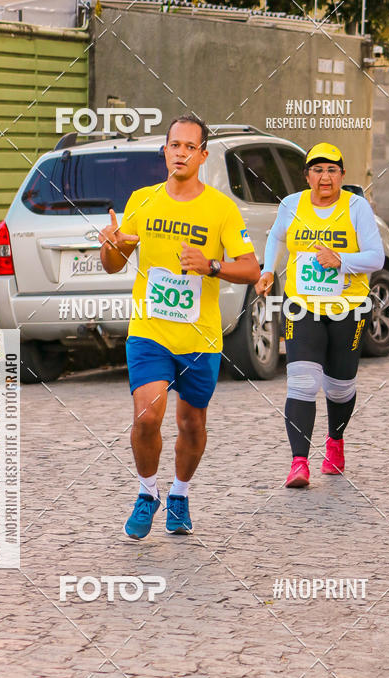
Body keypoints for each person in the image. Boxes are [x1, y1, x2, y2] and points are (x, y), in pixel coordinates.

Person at [99, 114, 260, 538]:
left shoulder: (221, 208)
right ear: (165, 151)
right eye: (175, 145)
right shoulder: (142, 200)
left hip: (200, 336)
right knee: (148, 416)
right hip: (149, 331)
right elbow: (115, 264)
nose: (181, 153)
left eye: (191, 146)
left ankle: (180, 495)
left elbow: (250, 268)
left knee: (191, 424)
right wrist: (112, 246)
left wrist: (210, 265)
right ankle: (146, 492)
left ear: (203, 155)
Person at [255, 142, 384, 487]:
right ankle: (299, 462)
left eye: (331, 170)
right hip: (302, 306)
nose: (324, 177)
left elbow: (377, 258)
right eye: (317, 170)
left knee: (340, 387)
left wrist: (341, 260)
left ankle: (335, 441)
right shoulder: (291, 205)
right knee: (302, 382)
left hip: (348, 307)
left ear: (342, 175)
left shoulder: (356, 207)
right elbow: (276, 239)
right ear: (307, 175)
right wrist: (269, 270)